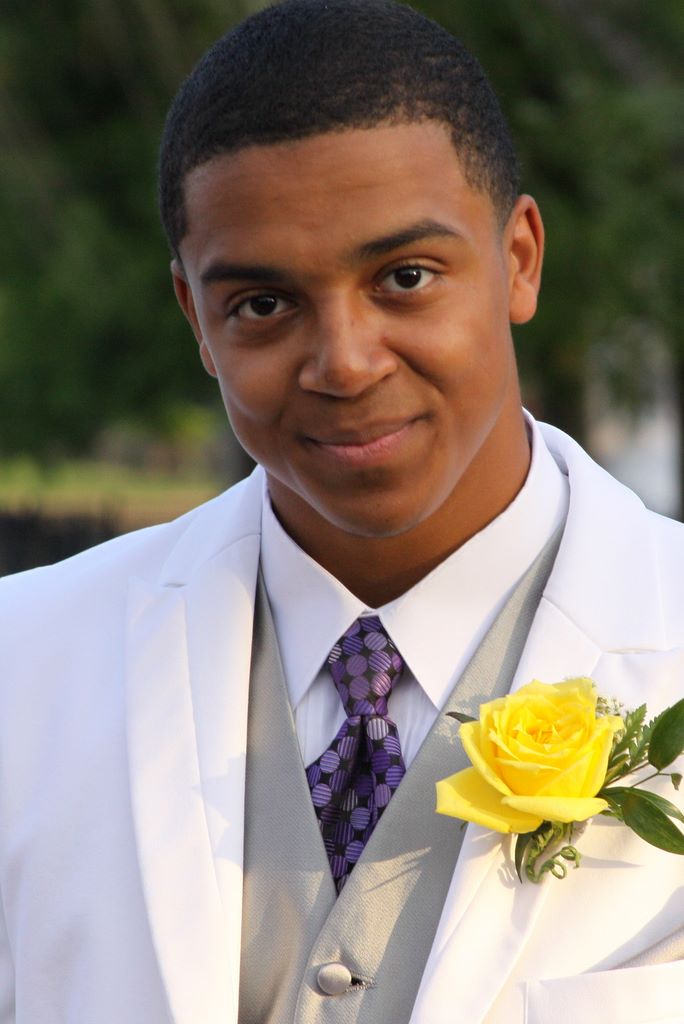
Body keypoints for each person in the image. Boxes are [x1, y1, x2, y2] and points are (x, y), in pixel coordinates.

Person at [1, 1, 683, 1021]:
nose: (346, 363)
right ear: (196, 318)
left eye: (405, 278)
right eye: (263, 305)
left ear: (520, 259)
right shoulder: (25, 667)